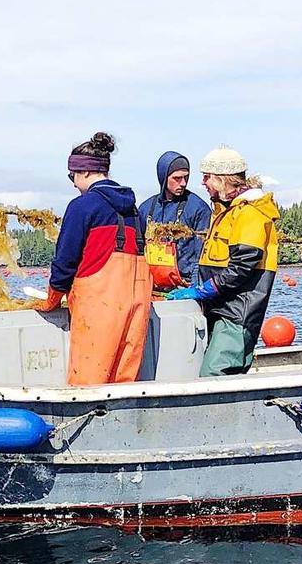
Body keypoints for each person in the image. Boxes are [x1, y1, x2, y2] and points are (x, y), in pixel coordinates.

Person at [34, 132, 153, 385]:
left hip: (99, 309)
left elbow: (65, 261)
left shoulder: (82, 207)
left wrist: (52, 298)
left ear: (86, 172)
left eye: (72, 176)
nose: (74, 183)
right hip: (136, 306)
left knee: (88, 384)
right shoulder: (134, 211)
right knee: (125, 382)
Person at [167, 146, 279, 376]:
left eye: (207, 177)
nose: (203, 183)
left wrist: (203, 290)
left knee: (213, 375)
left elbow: (243, 266)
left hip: (237, 315)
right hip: (221, 310)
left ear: (222, 179)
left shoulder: (250, 213)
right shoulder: (225, 212)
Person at [137, 151, 212, 291]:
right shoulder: (146, 208)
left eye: (186, 177)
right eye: (177, 178)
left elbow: (201, 256)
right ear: (164, 177)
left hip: (184, 286)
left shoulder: (199, 208)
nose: (183, 183)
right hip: (151, 286)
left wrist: (193, 290)